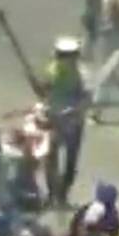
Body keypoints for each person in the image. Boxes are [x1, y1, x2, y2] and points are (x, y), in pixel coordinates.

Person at [37, 36, 89, 209]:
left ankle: (63, 195)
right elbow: (44, 91)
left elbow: (85, 97)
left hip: (74, 120)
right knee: (51, 158)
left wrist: (75, 110)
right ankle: (53, 194)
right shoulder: (51, 71)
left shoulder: (82, 73)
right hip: (53, 118)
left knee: (71, 161)